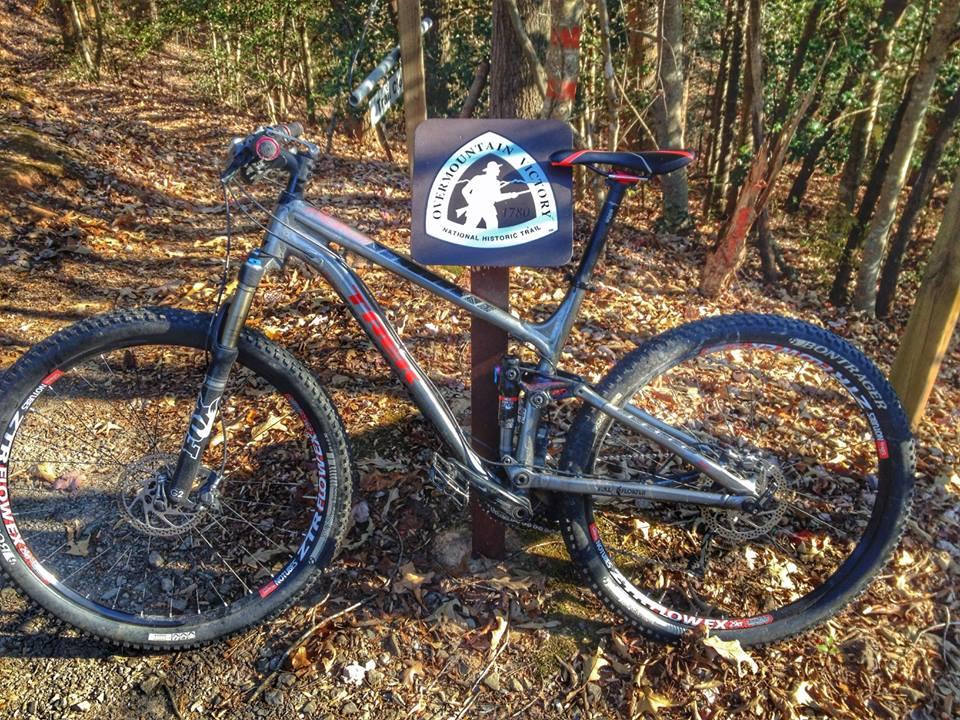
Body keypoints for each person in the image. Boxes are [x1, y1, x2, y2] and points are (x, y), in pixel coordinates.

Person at [457, 160, 521, 230]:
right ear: (492, 170)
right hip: (475, 208)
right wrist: (471, 202)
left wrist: (511, 195)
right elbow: (465, 191)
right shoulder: (477, 178)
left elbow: (496, 198)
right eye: (497, 169)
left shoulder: (496, 182)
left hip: (489, 209)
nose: (499, 170)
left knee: (493, 229)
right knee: (468, 229)